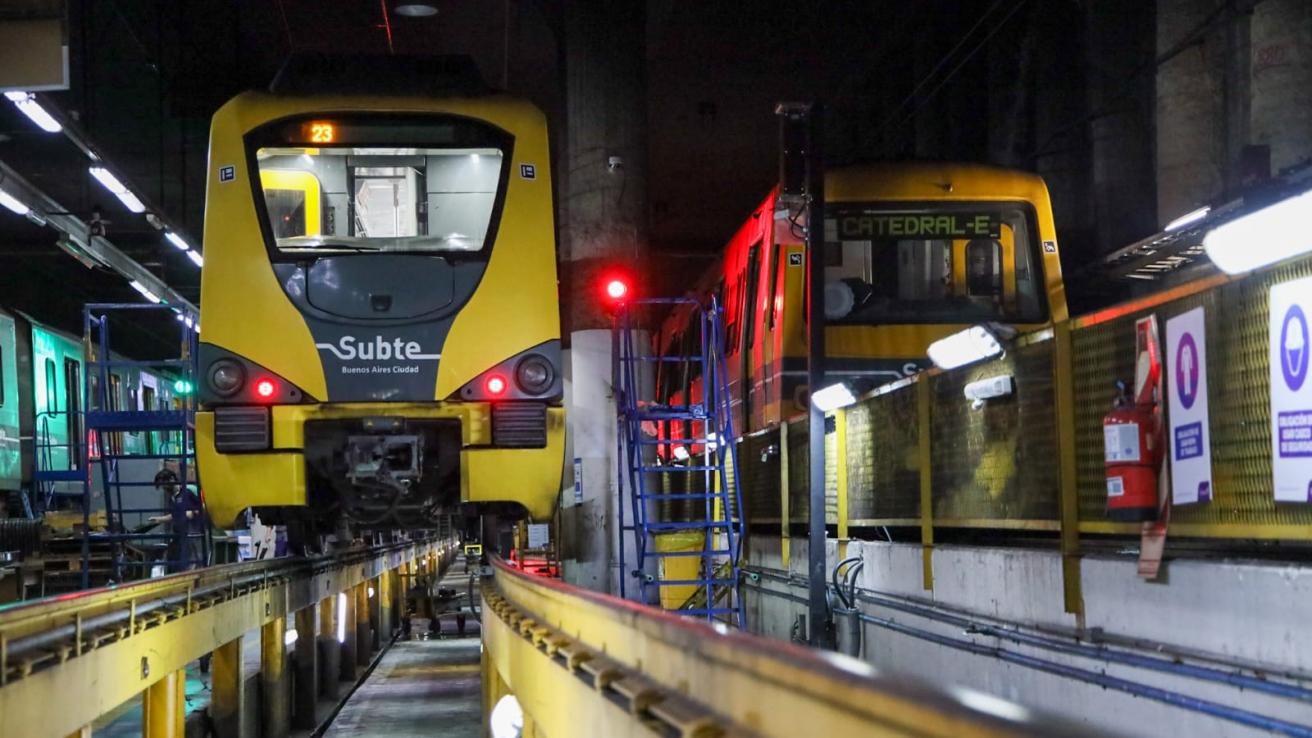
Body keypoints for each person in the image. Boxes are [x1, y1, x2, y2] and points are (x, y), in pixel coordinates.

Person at [150, 468, 205, 572]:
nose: (164, 488)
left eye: (164, 484)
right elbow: (176, 515)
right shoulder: (172, 498)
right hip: (179, 535)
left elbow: (204, 507)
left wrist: (192, 512)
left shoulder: (189, 491)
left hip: (193, 535)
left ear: (171, 479)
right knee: (173, 561)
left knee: (191, 563)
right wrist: (159, 520)